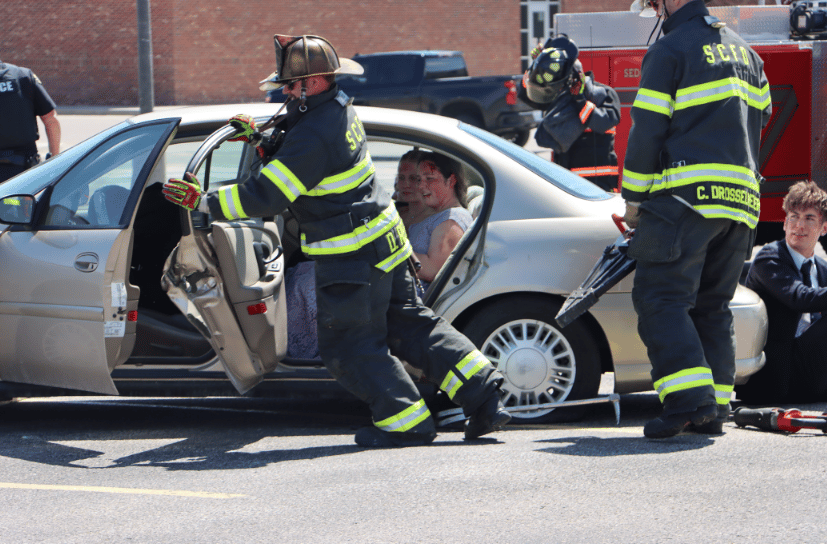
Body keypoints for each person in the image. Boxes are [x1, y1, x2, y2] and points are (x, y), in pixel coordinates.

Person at [163, 34, 509, 447]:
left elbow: (267, 194)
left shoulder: (314, 132)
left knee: (348, 346)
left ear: (311, 84)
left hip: (354, 257)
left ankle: (405, 422)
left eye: (289, 85)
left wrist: (204, 201)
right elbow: (305, 154)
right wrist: (260, 140)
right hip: (384, 246)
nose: (284, 92)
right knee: (411, 327)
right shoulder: (336, 110)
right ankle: (485, 393)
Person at [620, 0, 771, 438]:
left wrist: (634, 200)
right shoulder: (749, 55)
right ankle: (716, 406)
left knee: (660, 298)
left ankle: (688, 402)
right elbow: (764, 123)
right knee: (712, 305)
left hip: (684, 202)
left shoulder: (670, 51)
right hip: (742, 205)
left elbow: (647, 129)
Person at [737, 181, 827, 404]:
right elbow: (801, 299)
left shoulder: (822, 268)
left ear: (823, 228)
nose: (799, 225)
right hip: (777, 377)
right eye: (793, 217)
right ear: (784, 223)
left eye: (809, 218)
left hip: (810, 371)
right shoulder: (770, 258)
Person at [520, 36, 621, 192]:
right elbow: (530, 96)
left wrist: (580, 100)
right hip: (568, 187)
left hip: (600, 187)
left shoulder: (603, 94)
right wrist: (537, 67)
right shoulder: (559, 101)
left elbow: (602, 122)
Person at [410, 152, 474, 293]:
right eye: (419, 179)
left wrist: (395, 249)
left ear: (451, 181)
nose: (421, 186)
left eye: (430, 178)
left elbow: (433, 270)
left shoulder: (452, 220)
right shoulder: (436, 214)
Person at [0, 59, 60, 182]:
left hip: (22, 170)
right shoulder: (23, 76)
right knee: (16, 202)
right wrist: (54, 159)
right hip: (23, 175)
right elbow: (50, 119)